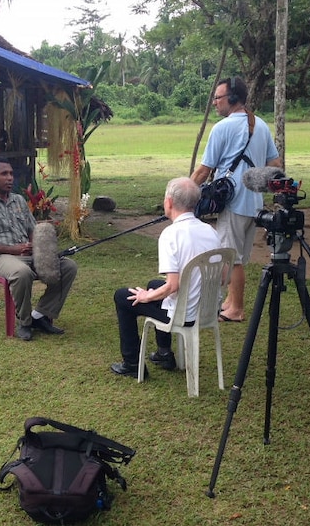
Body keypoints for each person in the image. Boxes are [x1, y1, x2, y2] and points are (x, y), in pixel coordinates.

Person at [110, 177, 222, 378]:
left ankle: (132, 364)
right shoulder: (210, 231)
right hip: (207, 311)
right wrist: (155, 291)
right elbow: (222, 278)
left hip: (184, 315)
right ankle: (164, 353)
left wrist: (146, 297)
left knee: (122, 297)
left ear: (169, 202)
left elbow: (172, 286)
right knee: (154, 284)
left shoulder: (171, 234)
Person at [191, 77, 282, 322]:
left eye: (218, 98)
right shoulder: (260, 125)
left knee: (232, 258)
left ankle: (236, 309)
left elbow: (203, 170)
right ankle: (231, 302)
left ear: (232, 99)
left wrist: (184, 195)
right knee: (239, 256)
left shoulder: (222, 128)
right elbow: (275, 165)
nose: (214, 103)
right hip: (254, 204)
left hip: (233, 203)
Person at [0, 156, 78, 341]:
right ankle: (24, 322)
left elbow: (32, 230)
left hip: (29, 255)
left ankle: (40, 315)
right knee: (22, 272)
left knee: (68, 267)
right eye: (4, 174)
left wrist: (38, 249)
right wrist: (13, 250)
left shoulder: (19, 201)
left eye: (11, 173)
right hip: (1, 257)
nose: (10, 178)